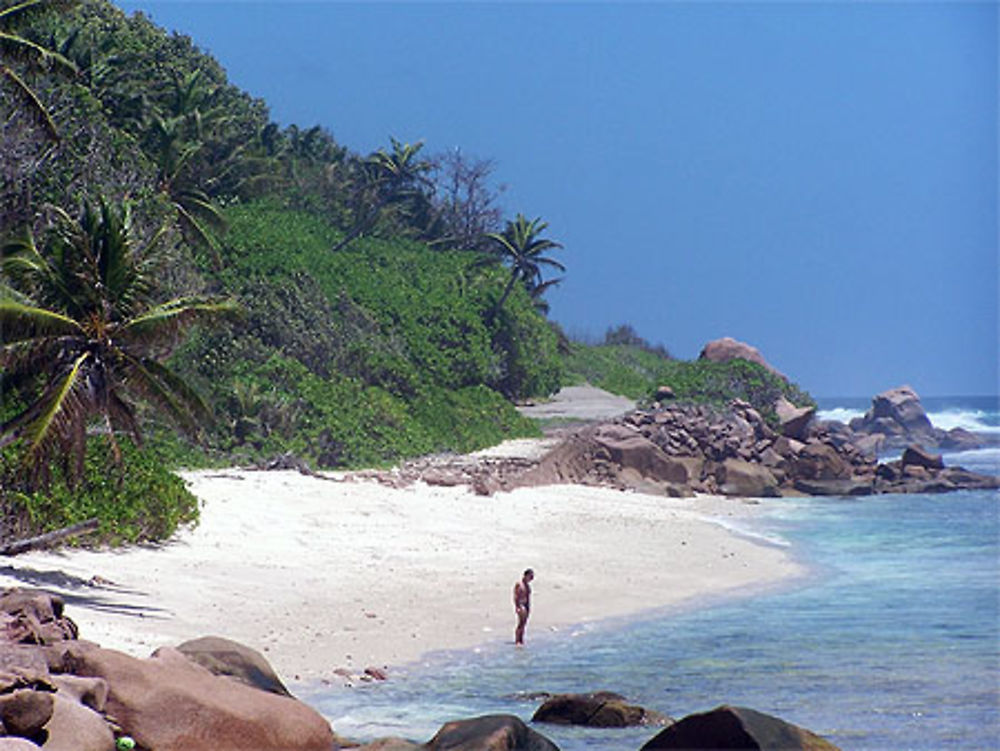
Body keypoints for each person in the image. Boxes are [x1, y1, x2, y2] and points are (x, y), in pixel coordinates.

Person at [513, 568, 534, 646]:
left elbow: (528, 597)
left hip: (526, 605)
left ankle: (521, 639)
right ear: (526, 575)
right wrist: (517, 606)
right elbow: (516, 596)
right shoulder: (519, 584)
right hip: (520, 605)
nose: (531, 578)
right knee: (520, 622)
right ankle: (517, 639)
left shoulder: (527, 586)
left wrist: (528, 607)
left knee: (524, 623)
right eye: (530, 576)